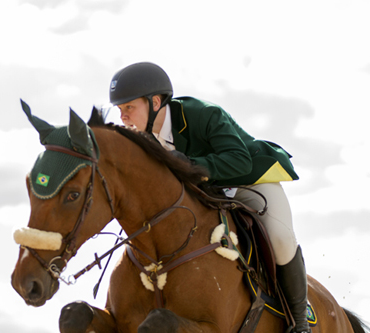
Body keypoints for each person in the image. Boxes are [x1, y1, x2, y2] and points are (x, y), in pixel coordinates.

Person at [108, 62, 310, 333]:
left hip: (249, 182)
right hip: (208, 196)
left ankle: (299, 322)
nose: (123, 117)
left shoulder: (202, 114)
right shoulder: (140, 141)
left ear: (155, 102)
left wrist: (189, 164)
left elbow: (240, 162)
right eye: (120, 110)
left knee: (282, 240)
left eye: (129, 107)